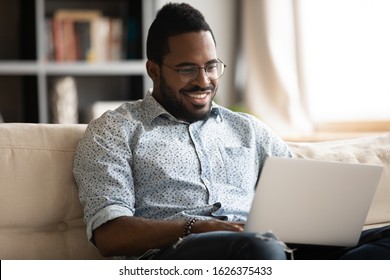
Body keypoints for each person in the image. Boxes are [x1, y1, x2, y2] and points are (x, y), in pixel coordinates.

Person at [73, 2, 390, 260]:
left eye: (211, 66)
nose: (204, 80)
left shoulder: (248, 129)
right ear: (153, 70)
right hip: (180, 254)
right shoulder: (115, 130)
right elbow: (110, 236)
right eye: (187, 69)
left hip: (267, 246)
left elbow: (302, 200)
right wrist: (196, 227)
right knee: (259, 248)